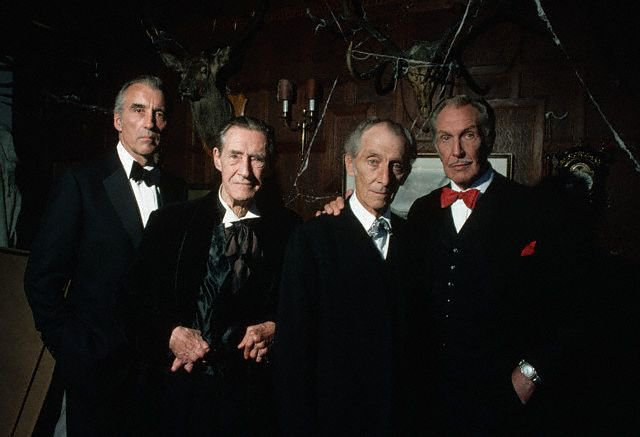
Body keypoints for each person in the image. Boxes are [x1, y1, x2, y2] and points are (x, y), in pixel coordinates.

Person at [404, 95, 584, 435]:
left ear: (488, 138)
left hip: (503, 396)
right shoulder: (422, 212)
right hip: (431, 396)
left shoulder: (533, 208)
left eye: (468, 135)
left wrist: (530, 374)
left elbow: (573, 304)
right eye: (445, 138)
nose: (456, 151)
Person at [23, 75, 186, 435]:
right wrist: (73, 349)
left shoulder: (176, 189)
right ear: (117, 120)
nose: (150, 122)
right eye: (139, 110)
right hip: (95, 369)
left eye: (159, 113)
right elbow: (41, 279)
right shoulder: (81, 182)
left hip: (157, 372)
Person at [123, 116, 301, 436]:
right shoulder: (169, 222)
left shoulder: (291, 230)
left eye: (256, 158)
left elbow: (306, 308)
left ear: (269, 165)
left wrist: (275, 329)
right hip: (179, 398)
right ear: (217, 158)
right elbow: (132, 300)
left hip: (253, 403)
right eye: (235, 156)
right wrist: (170, 333)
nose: (245, 170)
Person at [274, 118, 417, 436]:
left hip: (399, 419)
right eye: (373, 161)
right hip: (332, 420)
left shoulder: (415, 241)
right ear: (350, 163)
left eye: (395, 166)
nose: (384, 179)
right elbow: (293, 353)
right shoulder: (312, 239)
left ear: (405, 172)